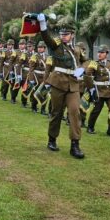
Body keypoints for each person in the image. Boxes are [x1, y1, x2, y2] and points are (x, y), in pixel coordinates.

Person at [37, 14, 88, 159]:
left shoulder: (77, 49)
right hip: (58, 83)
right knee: (56, 113)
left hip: (73, 85)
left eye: (66, 34)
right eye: (61, 34)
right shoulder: (57, 45)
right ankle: (52, 139)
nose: (63, 36)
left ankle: (75, 145)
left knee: (75, 112)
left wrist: (81, 69)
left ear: (72, 35)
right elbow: (47, 38)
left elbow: (86, 61)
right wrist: (42, 24)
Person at [84, 44, 110, 137]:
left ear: (107, 54)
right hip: (99, 91)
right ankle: (90, 127)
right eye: (99, 52)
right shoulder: (94, 63)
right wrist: (91, 88)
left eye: (102, 52)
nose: (99, 54)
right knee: (96, 110)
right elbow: (87, 75)